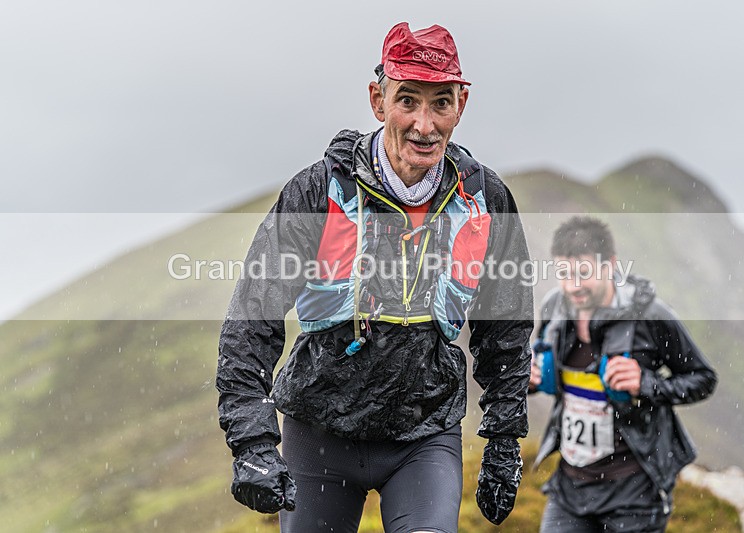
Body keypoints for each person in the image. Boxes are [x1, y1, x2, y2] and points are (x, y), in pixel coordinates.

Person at [216, 22, 534, 532]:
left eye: (441, 102)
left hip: (424, 435)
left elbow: (508, 328)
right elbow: (252, 318)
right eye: (407, 100)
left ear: (462, 104)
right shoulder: (318, 192)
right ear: (377, 99)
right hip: (318, 432)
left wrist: (503, 439)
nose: (425, 125)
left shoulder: (485, 201)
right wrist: (252, 441)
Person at [529, 216, 717, 533]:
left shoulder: (651, 316)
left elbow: (702, 379)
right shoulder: (554, 308)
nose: (572, 286)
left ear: (610, 265)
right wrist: (530, 380)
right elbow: (538, 369)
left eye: (583, 273)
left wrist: (646, 383)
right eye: (564, 273)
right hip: (570, 488)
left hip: (635, 495)